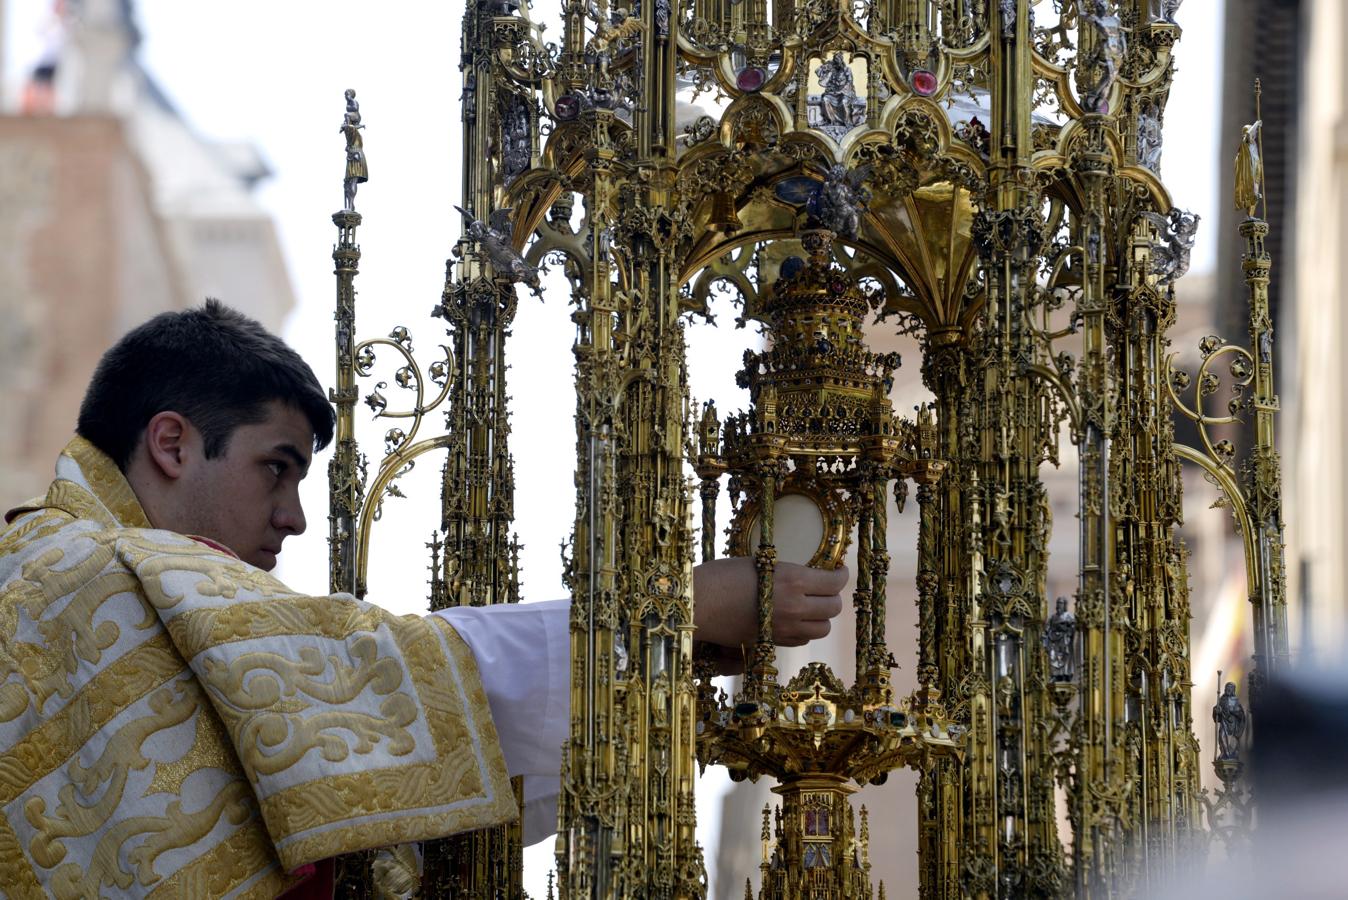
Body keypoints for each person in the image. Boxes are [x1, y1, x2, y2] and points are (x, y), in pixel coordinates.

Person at [0, 300, 845, 898]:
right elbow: (377, 672)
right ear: (174, 444)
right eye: (276, 467)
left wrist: (664, 654)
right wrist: (667, 614)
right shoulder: (92, 569)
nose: (293, 518)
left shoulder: (55, 566)